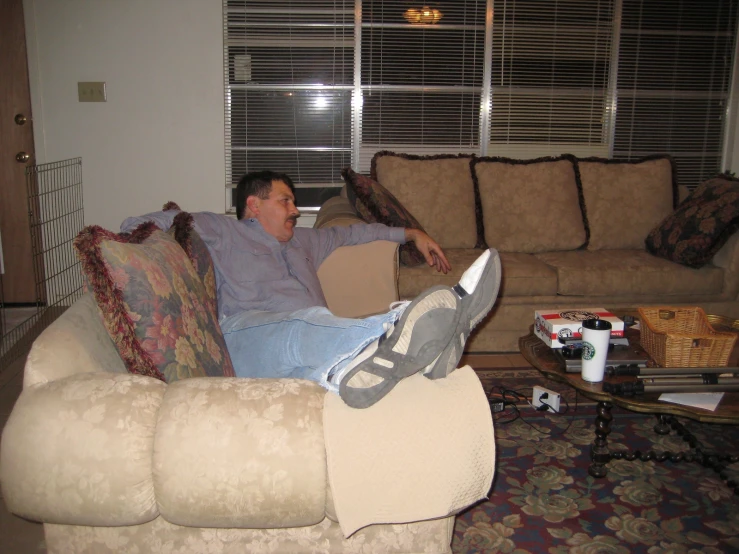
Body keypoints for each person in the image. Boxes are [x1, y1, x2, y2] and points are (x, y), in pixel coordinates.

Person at [121, 170, 501, 408]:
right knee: (306, 324)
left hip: (305, 344)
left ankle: (356, 371)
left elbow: (354, 233)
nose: (295, 210)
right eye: (285, 200)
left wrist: (412, 234)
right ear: (253, 206)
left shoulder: (304, 242)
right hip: (247, 336)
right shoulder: (223, 230)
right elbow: (145, 221)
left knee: (315, 379)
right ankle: (405, 323)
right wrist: (144, 235)